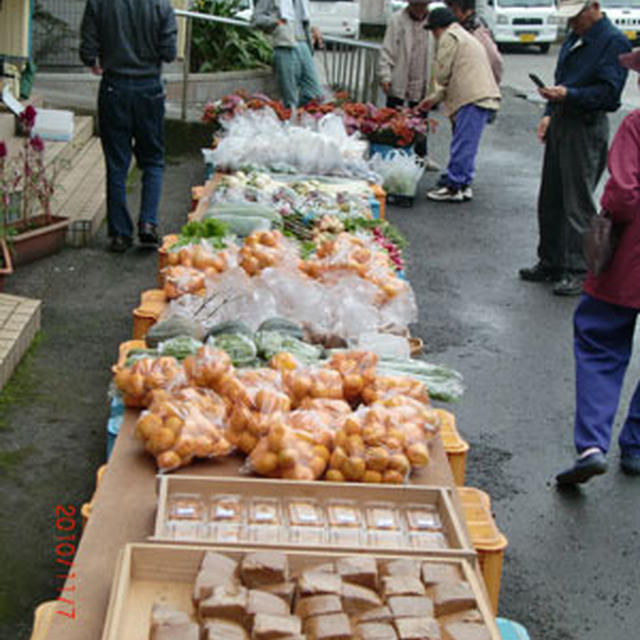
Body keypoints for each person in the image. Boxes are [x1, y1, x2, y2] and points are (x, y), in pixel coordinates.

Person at [556, 49, 640, 486]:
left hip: (628, 262)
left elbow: (623, 196)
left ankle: (592, 445)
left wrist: (605, 212)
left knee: (599, 344)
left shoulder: (636, 125)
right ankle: (638, 446)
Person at [519, 0, 630, 296]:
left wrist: (570, 94)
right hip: (562, 119)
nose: (572, 23)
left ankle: (579, 268)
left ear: (594, 6)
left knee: (577, 201)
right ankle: (551, 261)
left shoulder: (612, 40)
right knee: (551, 196)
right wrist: (548, 113)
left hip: (586, 124)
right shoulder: (575, 36)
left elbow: (610, 95)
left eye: (576, 16)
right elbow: (560, 80)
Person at [79, 0, 177, 254]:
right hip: (149, 88)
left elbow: (87, 51)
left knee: (117, 162)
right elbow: (168, 51)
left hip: (114, 87)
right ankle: (148, 222)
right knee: (153, 160)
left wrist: (95, 60)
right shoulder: (161, 5)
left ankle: (120, 234)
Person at [419, 6, 500, 203]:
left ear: (439, 27)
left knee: (462, 144)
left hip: (471, 96)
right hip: (481, 95)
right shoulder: (464, 35)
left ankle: (453, 186)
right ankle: (463, 183)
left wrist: (432, 95)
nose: (433, 36)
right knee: (467, 143)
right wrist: (432, 100)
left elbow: (442, 72)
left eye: (433, 31)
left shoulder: (450, 37)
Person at [377, 0, 438, 167]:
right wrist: (385, 76)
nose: (419, 9)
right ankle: (391, 154)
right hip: (401, 75)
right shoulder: (397, 20)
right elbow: (387, 50)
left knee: (420, 120)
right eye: (415, 5)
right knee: (394, 118)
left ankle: (421, 155)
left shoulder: (433, 21)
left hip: (422, 78)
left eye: (422, 5)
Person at [252, 0, 324, 108]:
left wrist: (313, 28)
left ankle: (300, 116)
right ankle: (291, 119)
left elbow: (303, 18)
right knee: (290, 97)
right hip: (284, 45)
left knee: (314, 93)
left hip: (304, 44)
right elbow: (256, 19)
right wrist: (275, 22)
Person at [445, 0, 502, 86]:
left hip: (477, 88)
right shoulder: (456, 28)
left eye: (454, 8)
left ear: (468, 11)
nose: (450, 11)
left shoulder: (477, 31)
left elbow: (495, 61)